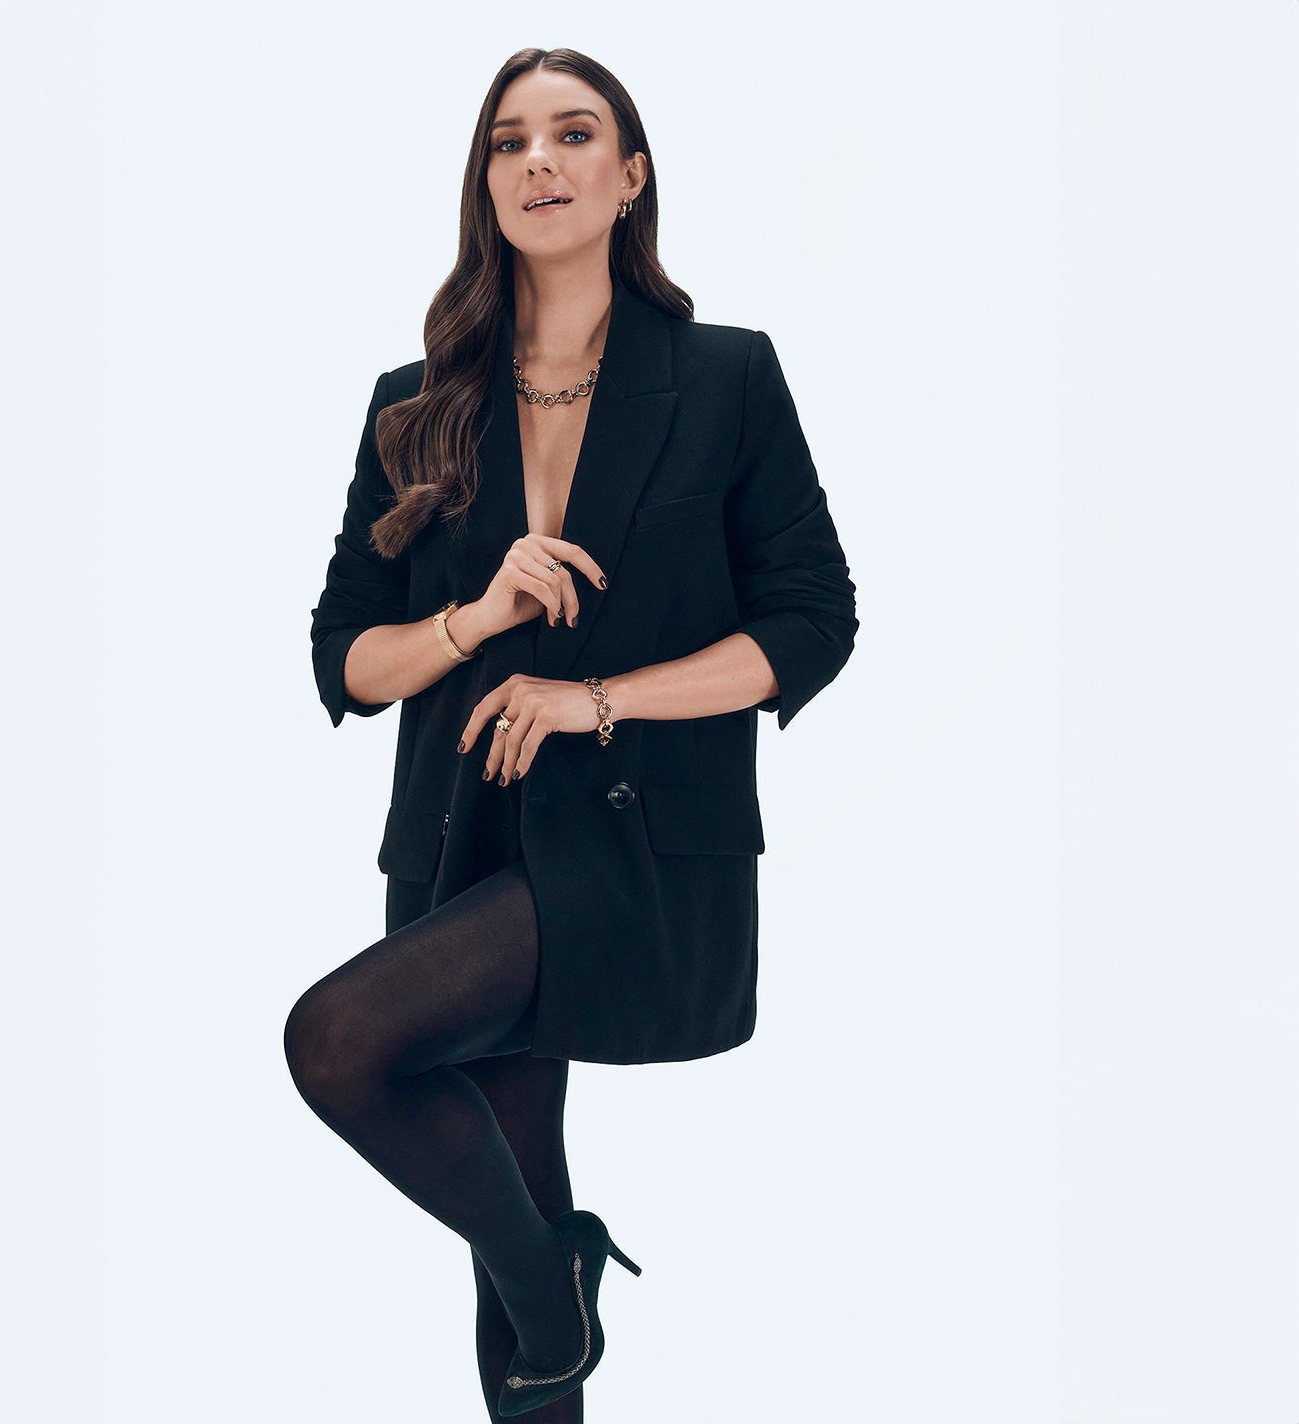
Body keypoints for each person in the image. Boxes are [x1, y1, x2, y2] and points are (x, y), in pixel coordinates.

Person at [284, 46, 858, 1420]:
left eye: (574, 133)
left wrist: (594, 699)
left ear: (629, 175)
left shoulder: (724, 377)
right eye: (509, 142)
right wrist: (477, 619)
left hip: (638, 845)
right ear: (484, 186)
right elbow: (346, 661)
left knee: (338, 1040)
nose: (538, 160)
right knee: (516, 1185)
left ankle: (554, 1287)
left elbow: (810, 624)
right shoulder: (415, 404)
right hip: (463, 836)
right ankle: (555, 1292)